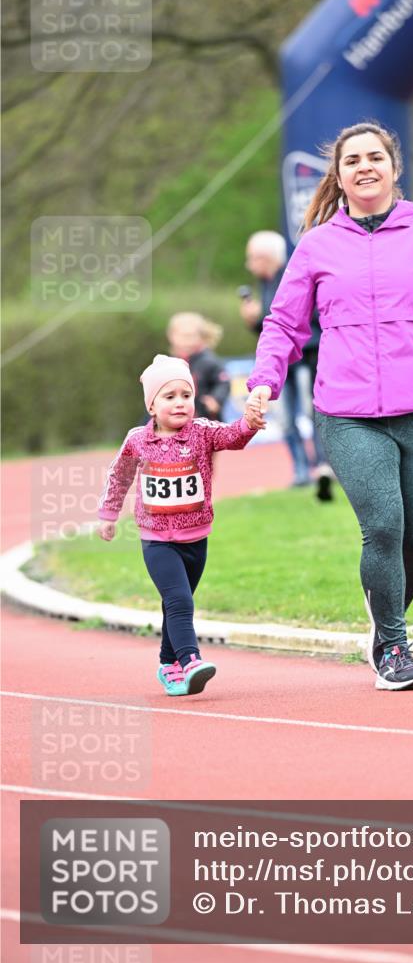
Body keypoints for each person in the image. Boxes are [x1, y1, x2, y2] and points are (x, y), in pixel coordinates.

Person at [244, 121, 413, 692]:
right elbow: (282, 321)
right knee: (383, 524)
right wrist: (264, 382)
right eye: (351, 160)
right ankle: (394, 649)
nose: (364, 167)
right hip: (347, 411)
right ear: (340, 176)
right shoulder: (317, 246)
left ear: (394, 168)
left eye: (375, 157)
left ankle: (381, 625)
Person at [98, 354, 262, 696]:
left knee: (176, 602)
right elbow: (120, 477)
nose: (180, 404)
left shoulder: (202, 432)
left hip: (196, 537)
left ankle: (167, 665)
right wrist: (109, 515)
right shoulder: (137, 440)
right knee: (179, 601)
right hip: (157, 539)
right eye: (169, 397)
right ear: (152, 406)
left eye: (185, 396)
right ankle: (190, 661)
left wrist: (248, 423)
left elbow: (232, 436)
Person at [242, 231, 334, 501]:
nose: (249, 265)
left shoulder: (293, 273)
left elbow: (306, 317)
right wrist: (253, 320)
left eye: (251, 258)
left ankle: (322, 466)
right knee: (287, 418)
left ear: (265, 257)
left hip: (308, 355)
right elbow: (274, 325)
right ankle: (302, 470)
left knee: (314, 411)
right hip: (285, 361)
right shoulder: (265, 282)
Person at [167, 312, 230, 421]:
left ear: (201, 337)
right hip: (178, 421)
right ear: (171, 336)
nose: (186, 340)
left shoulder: (209, 361)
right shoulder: (169, 363)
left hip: (205, 420)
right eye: (183, 335)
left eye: (191, 336)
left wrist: (215, 399)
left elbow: (223, 382)